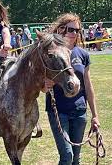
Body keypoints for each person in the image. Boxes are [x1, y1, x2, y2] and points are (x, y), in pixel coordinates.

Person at [43, 13, 100, 165]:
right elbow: (40, 83)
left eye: (77, 30)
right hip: (58, 111)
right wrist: (44, 85)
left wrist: (95, 115)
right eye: (71, 29)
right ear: (61, 29)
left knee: (76, 158)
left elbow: (88, 85)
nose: (74, 33)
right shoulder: (51, 53)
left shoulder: (83, 54)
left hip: (80, 111)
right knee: (67, 156)